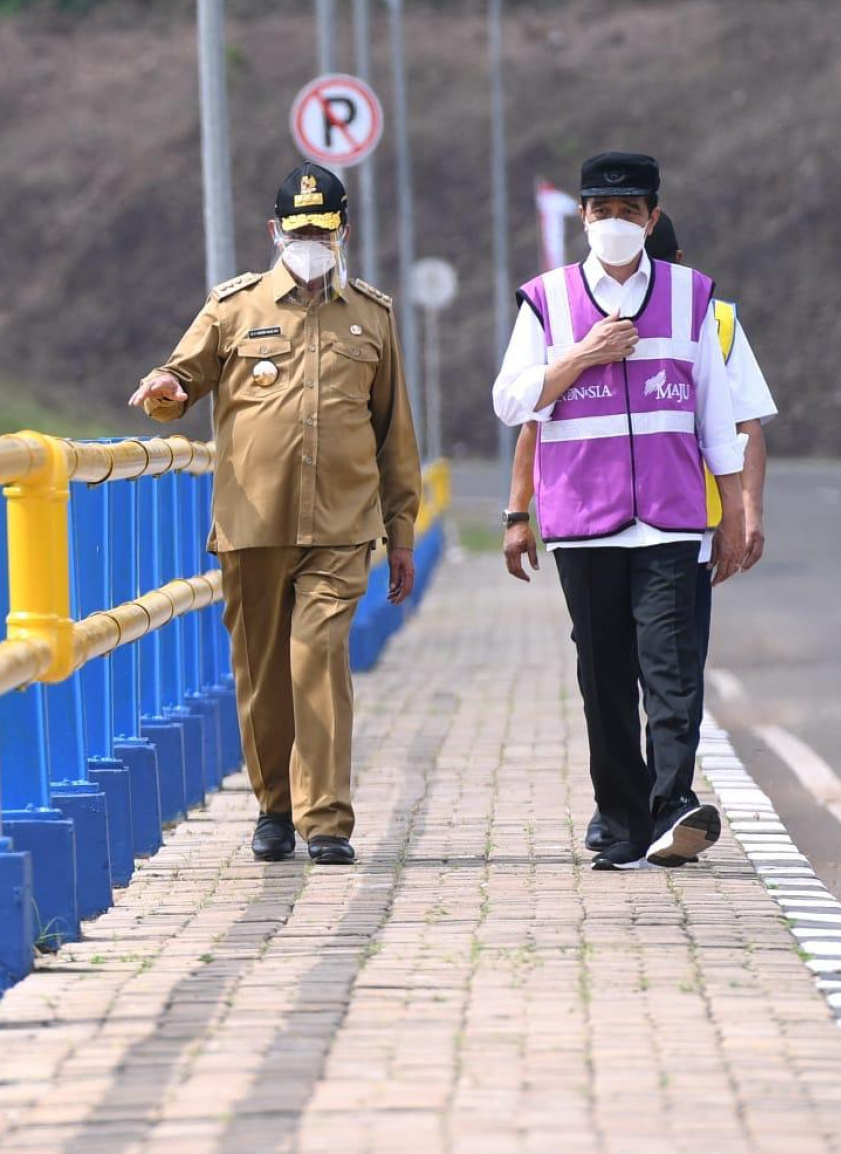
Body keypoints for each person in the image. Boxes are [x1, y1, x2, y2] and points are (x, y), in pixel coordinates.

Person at [129, 164, 421, 866]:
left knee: (317, 655)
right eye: (299, 230)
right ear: (275, 232)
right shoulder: (234, 307)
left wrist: (403, 531)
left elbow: (395, 434)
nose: (312, 240)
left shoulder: (372, 316)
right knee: (261, 671)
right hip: (252, 523)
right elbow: (181, 380)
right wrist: (167, 389)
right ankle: (273, 806)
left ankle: (326, 820)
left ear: (344, 230)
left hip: (343, 526)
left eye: (323, 229)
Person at [493, 151, 746, 871]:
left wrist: (727, 512)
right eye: (602, 212)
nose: (614, 223)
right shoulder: (547, 299)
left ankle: (672, 805)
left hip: (669, 514)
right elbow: (513, 400)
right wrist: (582, 355)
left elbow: (715, 414)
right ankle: (622, 817)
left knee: (671, 669)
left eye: (629, 212)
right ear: (582, 216)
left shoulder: (690, 295)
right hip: (585, 518)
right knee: (604, 675)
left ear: (652, 218)